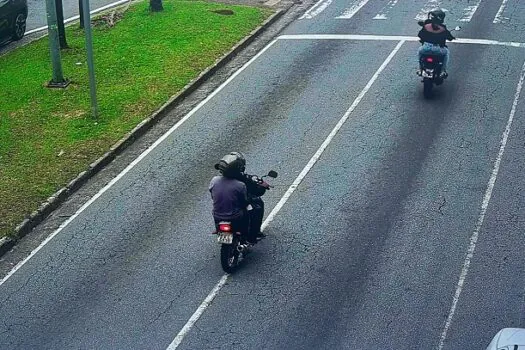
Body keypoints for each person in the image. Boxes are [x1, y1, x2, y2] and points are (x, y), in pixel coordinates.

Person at [209, 152, 265, 244]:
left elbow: (212, 194)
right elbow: (244, 201)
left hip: (217, 215)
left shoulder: (214, 180)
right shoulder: (240, 185)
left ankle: (221, 233)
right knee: (253, 208)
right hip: (235, 216)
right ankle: (251, 237)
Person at [417, 9, 455, 77]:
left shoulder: (426, 26)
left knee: (419, 52)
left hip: (425, 48)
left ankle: (420, 69)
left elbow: (420, 35)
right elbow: (449, 37)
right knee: (446, 53)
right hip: (438, 50)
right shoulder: (443, 28)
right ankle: (442, 71)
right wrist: (452, 38)